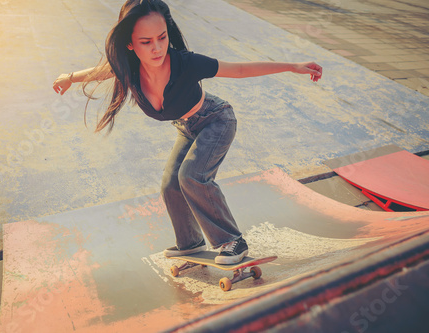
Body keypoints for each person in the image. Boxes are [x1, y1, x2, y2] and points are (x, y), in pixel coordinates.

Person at [53, 0, 322, 264]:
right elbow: (102, 71)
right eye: (146, 42)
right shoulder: (129, 69)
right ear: (130, 44)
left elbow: (238, 69)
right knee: (171, 184)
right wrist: (70, 77)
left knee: (192, 177)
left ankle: (232, 241)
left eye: (162, 37)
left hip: (216, 120)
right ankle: (190, 243)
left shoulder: (185, 63)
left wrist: (291, 66)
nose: (157, 48)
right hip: (187, 128)